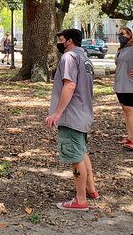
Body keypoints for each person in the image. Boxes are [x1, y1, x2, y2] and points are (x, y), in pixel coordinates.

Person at [45, 28, 98, 211]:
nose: (59, 42)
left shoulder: (69, 57)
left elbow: (70, 85)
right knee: (82, 152)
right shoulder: (85, 58)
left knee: (75, 157)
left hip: (72, 114)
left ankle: (80, 200)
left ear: (69, 41)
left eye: (61, 39)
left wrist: (57, 113)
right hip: (84, 112)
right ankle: (91, 189)